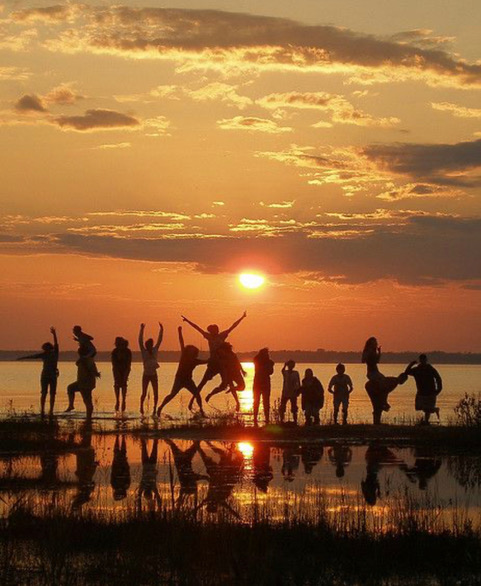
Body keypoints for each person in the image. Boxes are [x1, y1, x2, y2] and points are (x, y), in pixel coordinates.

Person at [182, 311, 247, 410]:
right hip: (212, 363)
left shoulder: (222, 335)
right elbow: (197, 328)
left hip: (222, 364)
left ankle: (237, 403)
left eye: (215, 330)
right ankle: (192, 401)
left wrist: (242, 317)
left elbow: (233, 326)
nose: (214, 332)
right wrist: (187, 321)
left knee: (229, 383)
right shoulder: (209, 337)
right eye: (212, 331)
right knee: (202, 382)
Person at [157, 326, 208, 417]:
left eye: (193, 352)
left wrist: (214, 359)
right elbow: (181, 342)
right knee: (172, 394)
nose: (192, 353)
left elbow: (206, 361)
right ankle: (160, 408)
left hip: (188, 380)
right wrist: (179, 332)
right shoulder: (184, 356)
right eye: (190, 351)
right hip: (179, 379)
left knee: (197, 394)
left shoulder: (195, 361)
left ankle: (201, 411)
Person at [17, 326, 59, 417]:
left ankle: (51, 410)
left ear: (49, 348)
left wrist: (54, 334)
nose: (46, 350)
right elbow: (32, 356)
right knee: (44, 393)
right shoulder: (43, 354)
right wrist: (23, 358)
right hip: (45, 375)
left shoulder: (55, 353)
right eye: (45, 348)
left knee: (52, 393)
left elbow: (56, 343)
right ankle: (43, 410)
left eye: (47, 348)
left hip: (52, 375)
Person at [205, 342, 245, 411]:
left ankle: (234, 394)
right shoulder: (221, 355)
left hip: (235, 373)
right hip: (228, 373)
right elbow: (220, 366)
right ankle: (211, 394)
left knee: (241, 387)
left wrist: (242, 371)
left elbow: (237, 363)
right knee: (223, 387)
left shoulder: (232, 354)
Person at [65, 345, 100, 420]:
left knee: (87, 401)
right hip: (81, 382)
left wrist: (96, 373)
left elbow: (92, 370)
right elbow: (78, 363)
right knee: (70, 388)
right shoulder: (82, 359)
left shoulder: (88, 360)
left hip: (86, 383)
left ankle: (89, 417)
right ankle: (71, 405)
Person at [406, 354, 442, 425]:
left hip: (431, 392)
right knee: (418, 407)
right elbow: (407, 372)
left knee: (427, 410)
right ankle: (435, 410)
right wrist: (411, 364)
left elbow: (438, 378)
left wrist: (438, 390)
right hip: (421, 392)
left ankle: (426, 422)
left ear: (426, 360)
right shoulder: (417, 369)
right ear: (420, 360)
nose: (423, 361)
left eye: (424, 360)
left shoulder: (430, 369)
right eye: (421, 360)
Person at [139, 322, 163, 416]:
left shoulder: (155, 350)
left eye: (151, 344)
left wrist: (161, 330)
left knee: (155, 393)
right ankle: (141, 406)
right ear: (146, 345)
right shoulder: (144, 351)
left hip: (153, 375)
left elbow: (159, 340)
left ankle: (154, 409)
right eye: (149, 344)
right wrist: (141, 329)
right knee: (144, 393)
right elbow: (140, 340)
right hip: (146, 375)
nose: (150, 345)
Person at [253, 348, 274, 426]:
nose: (267, 355)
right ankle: (255, 419)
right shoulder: (257, 360)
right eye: (266, 353)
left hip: (264, 383)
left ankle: (267, 419)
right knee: (256, 401)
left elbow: (271, 372)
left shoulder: (269, 362)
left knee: (265, 402)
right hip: (258, 383)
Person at [111, 337, 132, 413]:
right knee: (116, 384)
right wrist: (117, 374)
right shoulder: (115, 351)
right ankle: (117, 400)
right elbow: (114, 364)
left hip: (125, 369)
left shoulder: (127, 351)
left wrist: (126, 375)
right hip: (116, 370)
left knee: (124, 384)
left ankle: (123, 401)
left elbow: (129, 364)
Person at [110, 435, 131, 501]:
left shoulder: (116, 486)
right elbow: (128, 475)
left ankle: (120, 437)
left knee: (120, 452)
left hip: (118, 467)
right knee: (121, 452)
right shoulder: (124, 486)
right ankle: (121, 437)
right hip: (121, 467)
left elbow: (112, 475)